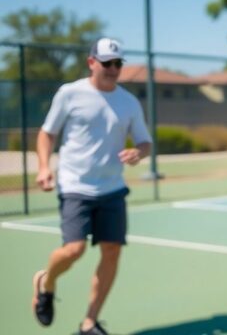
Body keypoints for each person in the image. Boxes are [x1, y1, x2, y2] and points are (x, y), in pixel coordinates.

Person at [32, 38, 151, 335]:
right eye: (106, 63)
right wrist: (44, 166)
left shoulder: (129, 102)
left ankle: (90, 322)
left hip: (112, 188)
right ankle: (45, 283)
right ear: (91, 62)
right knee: (73, 250)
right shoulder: (70, 94)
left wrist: (139, 152)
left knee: (111, 251)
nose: (112, 69)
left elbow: (145, 141)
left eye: (117, 64)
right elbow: (47, 134)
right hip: (75, 185)